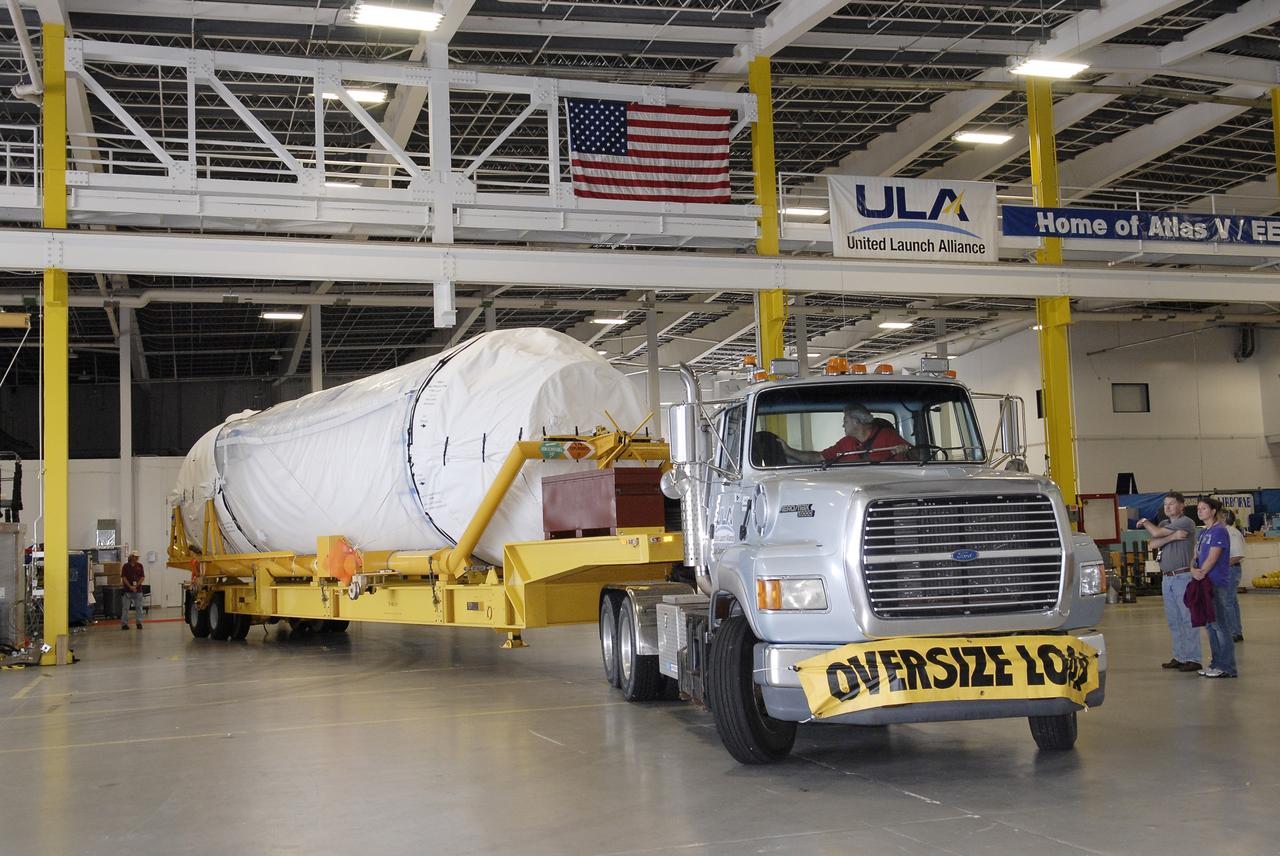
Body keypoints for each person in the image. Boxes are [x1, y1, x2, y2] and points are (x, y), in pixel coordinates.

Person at [1137, 492, 1199, 672]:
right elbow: (1152, 544)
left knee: (1187, 618)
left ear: (1181, 505)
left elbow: (1156, 533)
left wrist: (1145, 521)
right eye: (1165, 504)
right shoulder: (1165, 524)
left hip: (1182, 576)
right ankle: (1180, 656)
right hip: (1167, 578)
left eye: (1171, 504)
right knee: (1174, 620)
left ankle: (1193, 658)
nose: (1167, 507)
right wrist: (1172, 537)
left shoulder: (1186, 522)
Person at [1190, 497, 1236, 678]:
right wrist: (1193, 569)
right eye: (1198, 509)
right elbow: (1195, 555)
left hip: (1215, 582)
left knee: (1220, 625)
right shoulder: (1203, 532)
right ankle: (1216, 663)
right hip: (1203, 582)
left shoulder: (1219, 531)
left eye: (1203, 508)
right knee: (1210, 625)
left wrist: (1201, 572)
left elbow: (1213, 558)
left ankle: (1227, 666)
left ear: (1213, 511)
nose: (1199, 511)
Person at [781, 403, 909, 465]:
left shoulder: (888, 436)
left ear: (856, 422)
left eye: (845, 421)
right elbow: (817, 458)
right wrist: (789, 451)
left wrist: (904, 451)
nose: (843, 425)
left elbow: (916, 455)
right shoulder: (845, 442)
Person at [1221, 509, 1245, 643]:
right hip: (1229, 570)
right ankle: (1236, 631)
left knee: (1227, 602)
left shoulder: (1232, 533)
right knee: (1231, 602)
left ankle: (1233, 632)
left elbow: (1237, 555)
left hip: (1231, 570)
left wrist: (1221, 566)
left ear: (1224, 518)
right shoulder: (1225, 532)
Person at [121, 552, 146, 630]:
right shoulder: (125, 566)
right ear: (131, 557)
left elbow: (142, 577)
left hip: (138, 591)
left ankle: (139, 623)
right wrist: (130, 586)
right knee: (125, 608)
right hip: (127, 591)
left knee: (139, 607)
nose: (137, 558)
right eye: (135, 556)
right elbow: (124, 577)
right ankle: (124, 624)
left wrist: (136, 586)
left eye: (137, 557)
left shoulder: (140, 566)